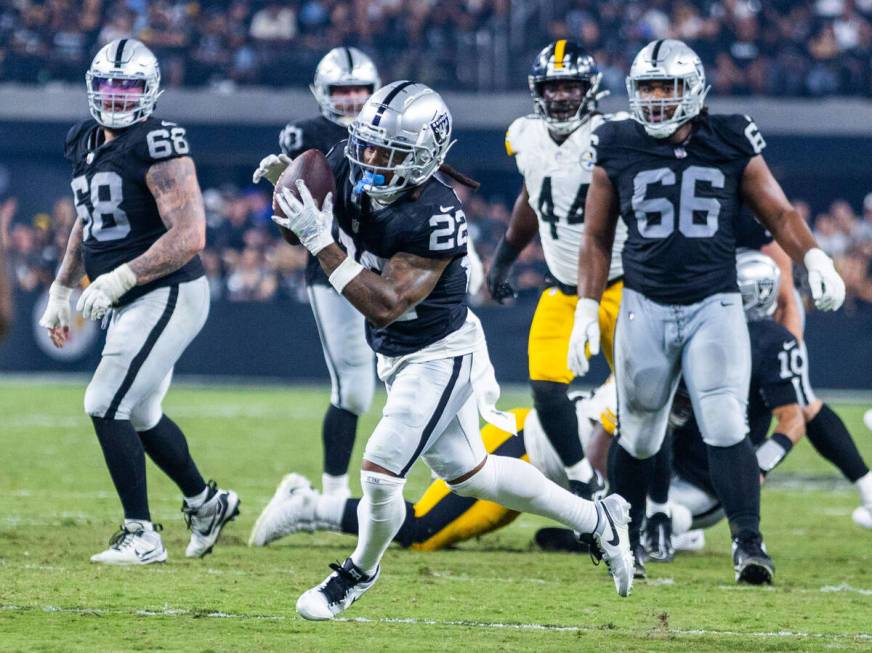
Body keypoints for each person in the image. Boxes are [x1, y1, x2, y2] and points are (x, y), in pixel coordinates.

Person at [272, 81, 635, 620]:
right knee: (474, 475)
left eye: (388, 152)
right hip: (398, 354)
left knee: (379, 470)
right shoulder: (349, 167)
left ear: (423, 158)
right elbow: (300, 229)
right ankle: (599, 520)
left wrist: (319, 240)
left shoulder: (437, 214)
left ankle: (355, 574)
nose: (370, 161)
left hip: (439, 353)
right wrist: (293, 200)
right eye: (367, 145)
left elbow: (386, 303)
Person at [571, 39, 846, 583]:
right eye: (646, 88)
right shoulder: (616, 141)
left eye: (665, 87)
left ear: (693, 90)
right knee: (642, 432)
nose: (653, 99)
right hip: (644, 304)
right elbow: (597, 237)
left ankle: (749, 543)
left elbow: (779, 209)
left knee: (724, 421)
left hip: (714, 304)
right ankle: (627, 540)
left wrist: (814, 257)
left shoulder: (729, 135)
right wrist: (585, 305)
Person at [38, 39, 239, 565]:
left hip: (167, 290)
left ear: (149, 91)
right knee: (142, 411)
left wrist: (121, 278)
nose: (116, 97)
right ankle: (206, 502)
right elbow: (90, 219)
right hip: (129, 296)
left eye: (126, 87)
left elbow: (191, 234)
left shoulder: (158, 142)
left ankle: (142, 534)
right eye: (107, 85)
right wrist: (63, 288)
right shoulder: (83, 139)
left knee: (104, 402)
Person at [248, 382, 616, 551]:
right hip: (518, 448)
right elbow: (601, 463)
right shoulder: (642, 379)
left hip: (537, 464)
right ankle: (309, 506)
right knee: (423, 530)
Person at [487, 40, 622, 500]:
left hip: (623, 286)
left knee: (644, 401)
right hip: (563, 288)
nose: (561, 95)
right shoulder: (524, 135)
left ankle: (657, 508)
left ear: (590, 90)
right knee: (545, 389)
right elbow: (532, 196)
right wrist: (505, 257)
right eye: (553, 86)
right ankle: (584, 479)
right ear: (537, 92)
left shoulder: (613, 135)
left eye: (570, 86)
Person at [253, 47, 381, 501]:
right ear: (320, 93)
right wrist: (284, 187)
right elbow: (292, 226)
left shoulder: (389, 127)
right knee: (354, 390)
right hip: (333, 269)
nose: (349, 99)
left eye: (358, 90)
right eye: (340, 90)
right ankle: (333, 493)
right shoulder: (305, 135)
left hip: (388, 266)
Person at [738, 218, 872, 529]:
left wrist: (788, 346)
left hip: (758, 315)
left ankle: (867, 487)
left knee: (802, 400)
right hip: (711, 318)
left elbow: (784, 285)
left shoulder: (743, 212)